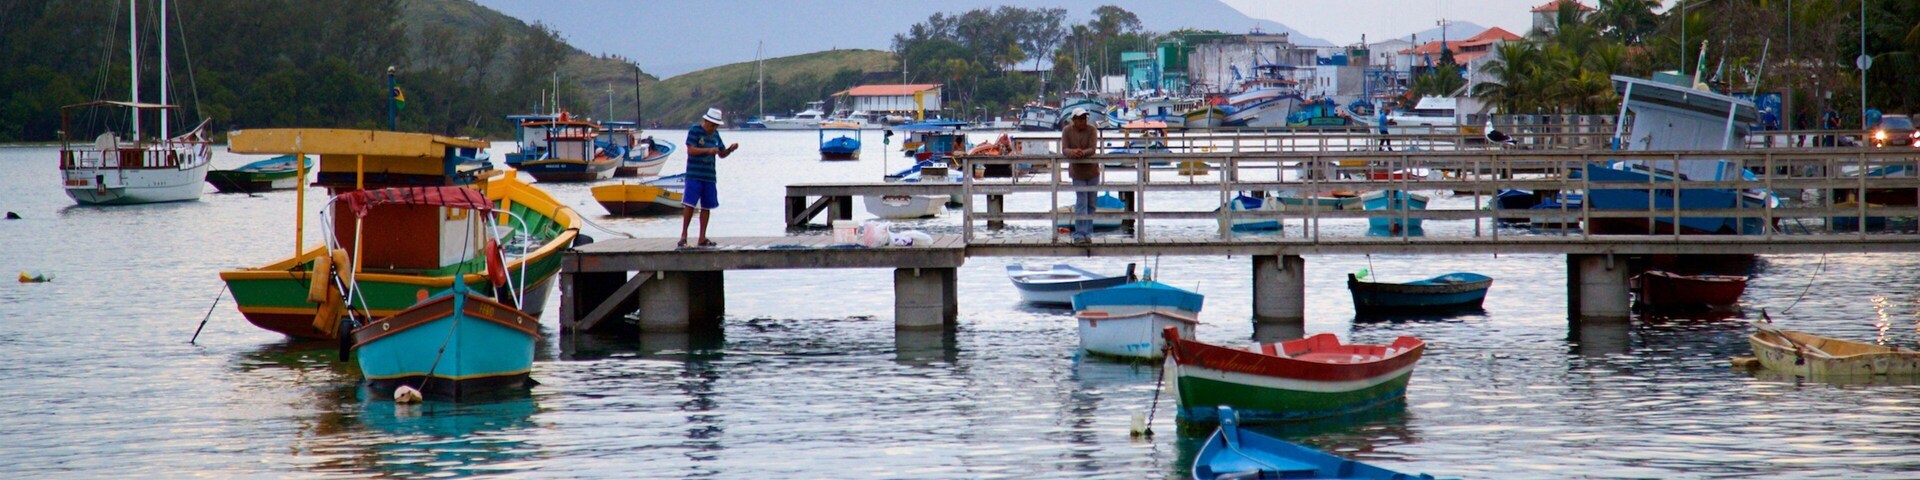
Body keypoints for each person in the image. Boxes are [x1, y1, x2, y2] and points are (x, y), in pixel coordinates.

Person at [679, 107, 740, 248]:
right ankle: (684, 236)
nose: (713, 128)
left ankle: (702, 237)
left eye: (716, 126)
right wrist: (708, 150)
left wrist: (730, 150)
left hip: (709, 176)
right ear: (705, 121)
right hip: (694, 174)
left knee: (706, 206)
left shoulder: (716, 135)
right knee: (689, 204)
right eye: (712, 125)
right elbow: (691, 150)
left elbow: (721, 153)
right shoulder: (695, 130)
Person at [1061, 108, 1102, 243]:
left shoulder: (1092, 130)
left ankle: (1087, 233)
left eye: (1084, 118)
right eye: (1079, 119)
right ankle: (1079, 234)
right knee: (1081, 202)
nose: (1082, 121)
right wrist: (1073, 152)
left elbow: (1092, 148)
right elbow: (1064, 149)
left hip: (1092, 171)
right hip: (1077, 172)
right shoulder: (1067, 131)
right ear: (1073, 120)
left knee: (1091, 204)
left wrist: (1083, 153)